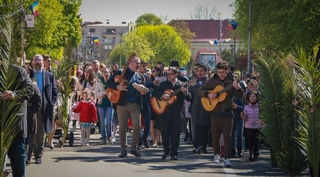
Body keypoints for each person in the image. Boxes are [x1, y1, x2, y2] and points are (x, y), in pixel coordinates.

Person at [198, 61, 243, 167]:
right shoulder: (212, 80)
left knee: (228, 136)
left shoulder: (231, 81)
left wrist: (237, 88)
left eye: (223, 72)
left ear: (227, 70)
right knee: (215, 135)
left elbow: (239, 95)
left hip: (228, 112)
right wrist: (208, 94)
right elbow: (200, 90)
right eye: (219, 72)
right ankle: (216, 155)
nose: (221, 74)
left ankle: (227, 158)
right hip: (215, 112)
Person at [107, 55, 145, 157]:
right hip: (122, 104)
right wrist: (117, 86)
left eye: (139, 63)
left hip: (135, 104)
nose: (138, 65)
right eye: (136, 62)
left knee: (137, 126)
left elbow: (144, 90)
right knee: (122, 127)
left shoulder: (140, 76)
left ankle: (133, 148)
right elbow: (109, 82)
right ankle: (123, 149)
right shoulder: (120, 72)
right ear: (130, 62)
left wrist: (143, 92)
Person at [1, 63, 34, 177]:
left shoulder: (18, 71)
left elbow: (30, 89)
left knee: (18, 170)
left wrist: (14, 94)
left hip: (15, 128)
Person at [152, 67, 192, 160]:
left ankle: (174, 153)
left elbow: (189, 97)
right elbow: (155, 92)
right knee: (165, 133)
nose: (168, 76)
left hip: (177, 113)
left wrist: (185, 92)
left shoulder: (181, 85)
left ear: (176, 75)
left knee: (175, 134)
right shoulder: (164, 84)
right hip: (165, 113)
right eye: (167, 74)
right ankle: (166, 151)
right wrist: (162, 95)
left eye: (170, 74)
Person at [32, 54, 58, 164]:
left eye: (40, 60)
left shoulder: (49, 75)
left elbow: (54, 90)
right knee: (29, 131)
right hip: (29, 105)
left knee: (39, 131)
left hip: (43, 106)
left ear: (43, 62)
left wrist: (51, 103)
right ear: (32, 62)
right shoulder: (28, 74)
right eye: (36, 60)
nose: (38, 62)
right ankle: (28, 155)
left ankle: (38, 154)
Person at [22, 66, 42, 165]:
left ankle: (27, 158)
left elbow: (38, 103)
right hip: (18, 119)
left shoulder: (33, 87)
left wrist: (26, 112)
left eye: (27, 73)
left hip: (29, 118)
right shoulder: (15, 86)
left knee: (29, 140)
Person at [189, 64, 211, 154]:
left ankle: (204, 146)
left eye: (201, 71)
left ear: (205, 72)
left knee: (205, 128)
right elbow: (189, 96)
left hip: (206, 107)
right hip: (196, 107)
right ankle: (197, 146)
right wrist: (185, 92)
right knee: (196, 127)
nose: (199, 73)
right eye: (197, 71)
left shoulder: (210, 82)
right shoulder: (193, 82)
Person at [241, 91, 261, 162]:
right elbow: (245, 119)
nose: (252, 98)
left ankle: (256, 153)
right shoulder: (246, 107)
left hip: (257, 126)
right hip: (248, 126)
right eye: (250, 96)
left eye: (253, 96)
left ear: (256, 97)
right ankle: (251, 154)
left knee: (256, 141)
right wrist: (243, 115)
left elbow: (261, 117)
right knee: (250, 141)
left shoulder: (259, 107)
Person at [95, 68, 114, 144]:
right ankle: (103, 138)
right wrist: (103, 93)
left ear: (109, 73)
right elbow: (96, 95)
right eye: (104, 72)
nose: (106, 74)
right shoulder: (99, 83)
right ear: (102, 74)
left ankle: (109, 136)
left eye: (107, 72)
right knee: (102, 122)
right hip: (101, 104)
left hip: (110, 104)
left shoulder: (112, 83)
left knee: (109, 122)